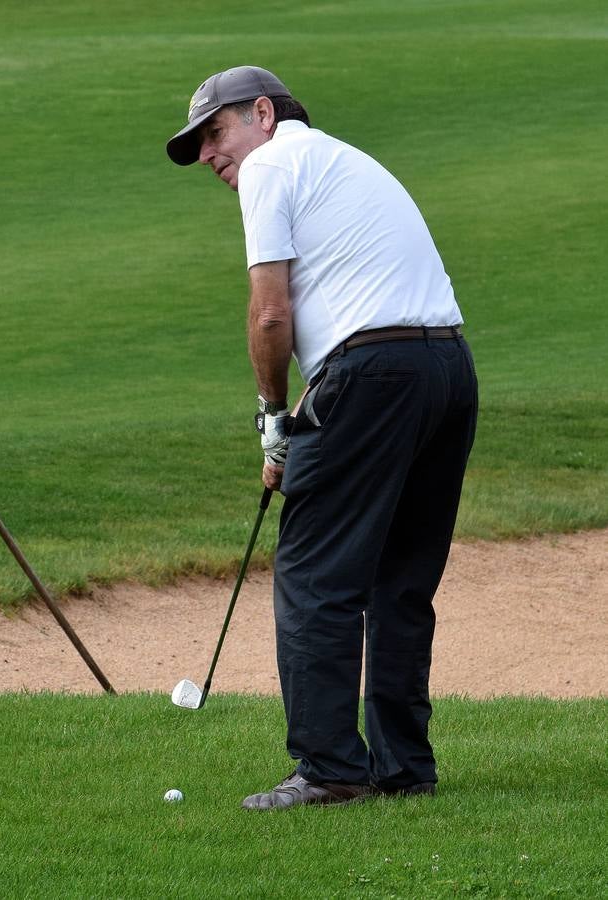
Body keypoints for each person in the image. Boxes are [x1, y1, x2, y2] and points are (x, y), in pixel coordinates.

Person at [167, 67, 478, 808]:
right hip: (445, 368)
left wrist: (274, 421)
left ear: (263, 114)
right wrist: (305, 418)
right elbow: (356, 311)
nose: (210, 154)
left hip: (375, 373)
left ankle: (330, 769)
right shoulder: (344, 159)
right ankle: (405, 769)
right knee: (398, 579)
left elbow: (270, 315)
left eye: (215, 133)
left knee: (312, 576)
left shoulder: (269, 165)